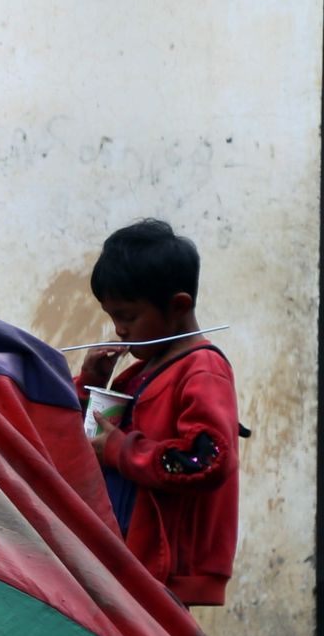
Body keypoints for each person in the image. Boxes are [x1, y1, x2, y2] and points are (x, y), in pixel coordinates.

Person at [78, 219, 242, 607]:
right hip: (133, 556)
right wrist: (90, 383)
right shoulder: (142, 370)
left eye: (128, 316)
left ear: (178, 306)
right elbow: (93, 435)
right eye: (112, 316)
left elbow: (208, 459)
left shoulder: (202, 370)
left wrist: (121, 450)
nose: (118, 330)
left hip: (167, 566)